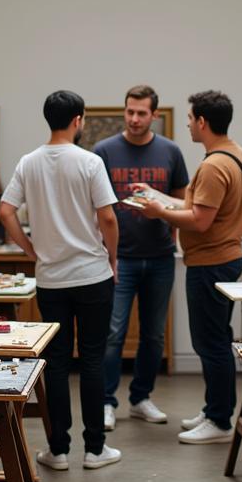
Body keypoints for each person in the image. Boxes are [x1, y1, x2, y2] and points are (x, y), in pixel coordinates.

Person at [0, 90, 122, 470]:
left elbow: (5, 212)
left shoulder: (29, 162)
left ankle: (59, 450)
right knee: (92, 361)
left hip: (51, 279)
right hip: (92, 275)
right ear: (78, 120)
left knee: (55, 363)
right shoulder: (90, 162)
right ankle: (95, 449)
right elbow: (109, 218)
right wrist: (112, 259)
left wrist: (32, 250)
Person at [137, 90, 242, 444]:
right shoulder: (234, 154)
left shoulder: (214, 165)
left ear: (202, 122)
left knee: (211, 343)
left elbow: (199, 221)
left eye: (189, 118)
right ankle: (215, 408)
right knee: (215, 339)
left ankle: (219, 421)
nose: (187, 123)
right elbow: (199, 206)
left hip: (211, 264)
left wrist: (158, 213)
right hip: (221, 260)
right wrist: (159, 198)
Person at [94, 85, 189, 431]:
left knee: (154, 336)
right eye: (130, 111)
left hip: (161, 257)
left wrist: (172, 235)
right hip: (119, 259)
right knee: (113, 333)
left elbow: (181, 202)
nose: (134, 119)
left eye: (142, 113)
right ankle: (106, 401)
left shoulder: (170, 151)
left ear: (154, 116)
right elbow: (95, 206)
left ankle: (140, 398)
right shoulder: (104, 151)